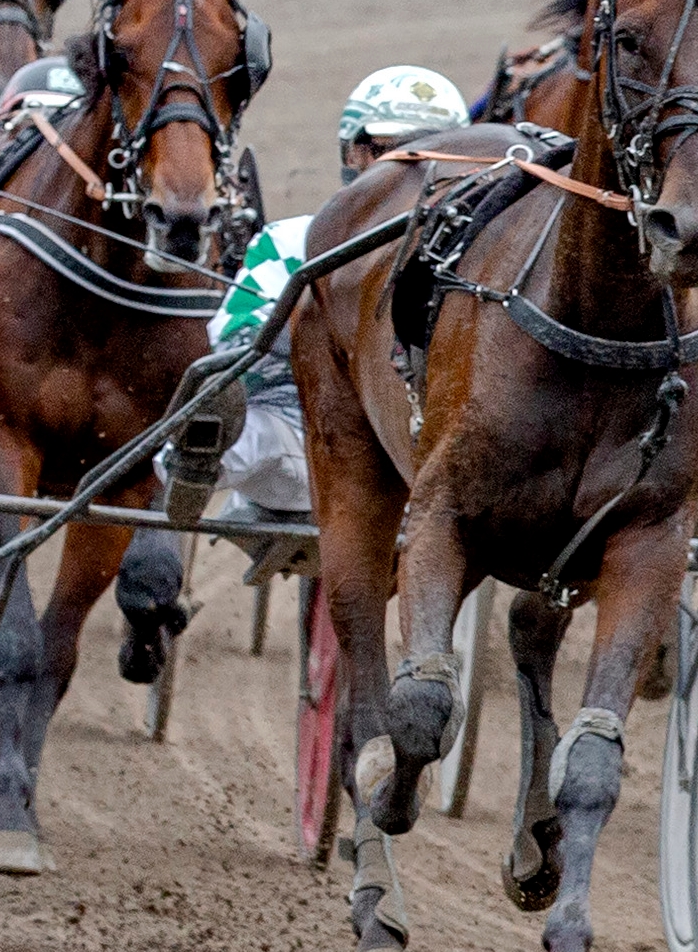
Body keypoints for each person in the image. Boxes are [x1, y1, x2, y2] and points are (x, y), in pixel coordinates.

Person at [179, 63, 479, 673]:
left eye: (424, 154)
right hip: (295, 443)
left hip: (421, 466)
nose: (405, 171)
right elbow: (236, 341)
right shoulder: (295, 239)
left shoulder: (481, 259)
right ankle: (167, 516)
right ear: (356, 155)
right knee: (205, 414)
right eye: (389, 152)